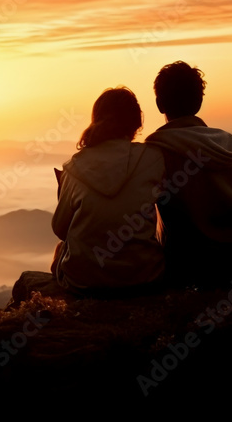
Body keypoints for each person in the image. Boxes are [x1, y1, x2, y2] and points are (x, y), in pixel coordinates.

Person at [145, 61, 232, 286]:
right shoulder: (231, 145)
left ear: (159, 103)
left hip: (191, 269)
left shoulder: (155, 152)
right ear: (199, 102)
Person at [48, 87, 166, 292]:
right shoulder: (152, 157)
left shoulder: (75, 167)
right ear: (136, 123)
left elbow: (60, 229)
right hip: (143, 276)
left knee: (60, 250)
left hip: (84, 281)